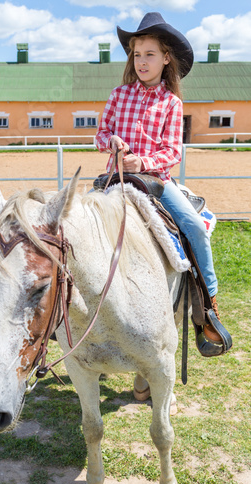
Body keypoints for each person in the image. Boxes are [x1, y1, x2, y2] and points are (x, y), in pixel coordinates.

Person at [95, 12, 227, 345]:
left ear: (166, 58)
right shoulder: (118, 95)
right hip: (116, 179)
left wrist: (144, 161)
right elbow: (101, 134)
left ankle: (207, 304)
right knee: (75, 226)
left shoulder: (171, 103)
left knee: (194, 227)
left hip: (156, 182)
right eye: (137, 54)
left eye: (150, 54)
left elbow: (172, 152)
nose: (142, 61)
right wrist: (111, 141)